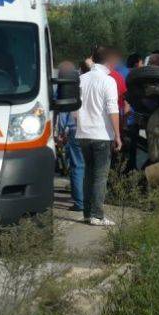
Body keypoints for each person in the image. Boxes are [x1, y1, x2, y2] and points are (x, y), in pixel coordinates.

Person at [77, 46, 122, 226]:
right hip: (101, 134)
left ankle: (87, 213)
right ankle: (97, 215)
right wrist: (118, 135)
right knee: (100, 176)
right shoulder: (108, 81)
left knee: (88, 173)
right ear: (109, 61)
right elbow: (113, 108)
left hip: (83, 133)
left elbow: (75, 107)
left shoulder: (81, 79)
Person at [55, 61, 84, 212]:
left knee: (77, 166)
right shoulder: (100, 81)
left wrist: (61, 133)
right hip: (95, 131)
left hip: (74, 129)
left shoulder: (68, 87)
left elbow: (63, 110)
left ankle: (80, 202)